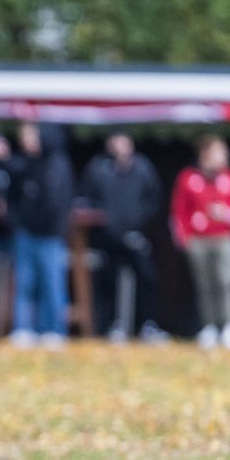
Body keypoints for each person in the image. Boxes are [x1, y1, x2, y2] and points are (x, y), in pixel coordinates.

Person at [81, 131, 165, 343]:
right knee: (108, 281)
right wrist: (106, 223)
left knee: (146, 278)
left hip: (135, 235)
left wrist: (137, 223)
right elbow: (88, 198)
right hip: (107, 237)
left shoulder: (143, 169)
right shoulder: (99, 168)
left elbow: (153, 199)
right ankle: (110, 325)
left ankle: (148, 324)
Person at [170, 135, 230, 350]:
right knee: (204, 285)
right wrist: (185, 240)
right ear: (205, 154)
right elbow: (178, 213)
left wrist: (227, 214)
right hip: (198, 241)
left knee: (226, 282)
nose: (224, 157)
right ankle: (210, 327)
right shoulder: (188, 178)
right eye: (219, 152)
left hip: (223, 238)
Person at [8, 122, 74, 348]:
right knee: (25, 283)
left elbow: (57, 203)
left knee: (51, 284)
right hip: (26, 233)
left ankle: (54, 330)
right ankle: (24, 328)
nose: (27, 141)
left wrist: (50, 226)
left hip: (49, 235)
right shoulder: (25, 164)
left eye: (33, 136)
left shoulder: (56, 164)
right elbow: (14, 194)